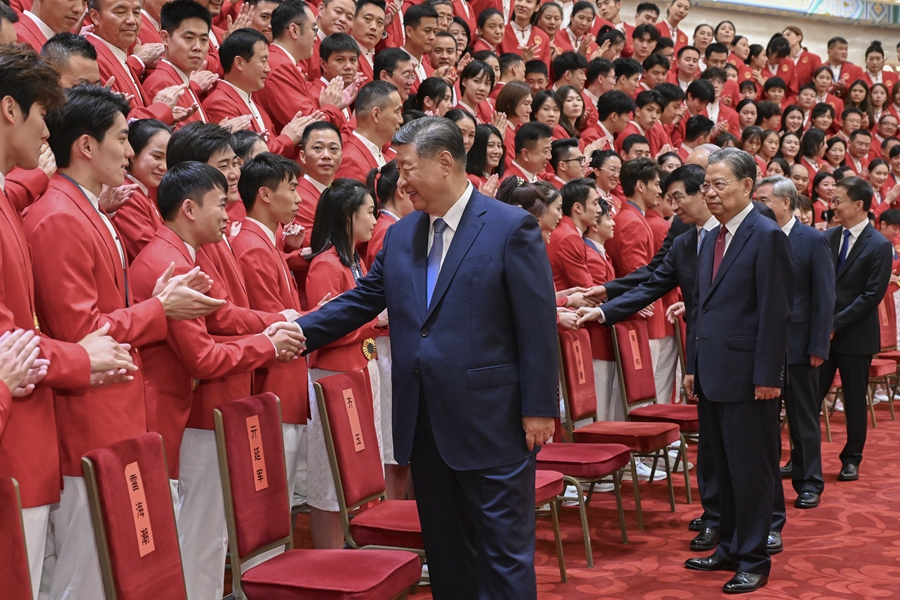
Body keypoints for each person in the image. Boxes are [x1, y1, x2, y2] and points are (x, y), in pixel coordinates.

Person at [295, 116, 557, 598]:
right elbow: (362, 300)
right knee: (447, 553)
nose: (400, 180)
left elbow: (537, 323)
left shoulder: (509, 226)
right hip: (425, 424)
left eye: (407, 167)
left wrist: (540, 407)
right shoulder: (401, 235)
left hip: (494, 422)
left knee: (503, 553)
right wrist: (295, 331)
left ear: (444, 162)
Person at [23, 84, 224, 600]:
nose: (131, 153)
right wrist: (159, 309)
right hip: (88, 414)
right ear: (86, 146)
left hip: (112, 409)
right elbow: (81, 335)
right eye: (121, 139)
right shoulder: (60, 214)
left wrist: (152, 301)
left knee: (106, 569)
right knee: (85, 576)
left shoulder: (86, 208)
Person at [0, 45, 141, 599]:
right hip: (29, 429)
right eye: (41, 114)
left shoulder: (22, 196)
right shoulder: (55, 213)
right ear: (10, 109)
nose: (46, 131)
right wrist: (83, 355)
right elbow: (14, 339)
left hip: (35, 428)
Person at [679, 148, 792, 594]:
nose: (709, 192)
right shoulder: (712, 236)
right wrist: (693, 365)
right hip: (713, 373)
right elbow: (700, 309)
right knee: (722, 469)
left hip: (749, 378)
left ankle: (753, 558)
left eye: (718, 184)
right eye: (706, 185)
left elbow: (775, 312)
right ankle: (727, 545)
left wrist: (768, 376)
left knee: (751, 472)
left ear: (747, 186)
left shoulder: (766, 235)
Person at [754, 176, 834, 510]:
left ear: (786, 203)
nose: (757, 205)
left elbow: (825, 298)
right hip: (762, 345)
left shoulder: (813, 239)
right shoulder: (756, 235)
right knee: (764, 420)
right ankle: (767, 483)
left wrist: (819, 346)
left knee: (803, 418)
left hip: (800, 345)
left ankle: (809, 482)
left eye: (764, 200)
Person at [818, 176, 893, 482]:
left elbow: (871, 295)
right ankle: (801, 457)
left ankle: (851, 459)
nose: (832, 206)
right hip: (822, 336)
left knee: (854, 400)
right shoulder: (828, 238)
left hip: (855, 335)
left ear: (859, 205)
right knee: (810, 399)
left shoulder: (879, 245)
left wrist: (834, 324)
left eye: (838, 201)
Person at [114, 119, 172, 262]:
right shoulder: (126, 194)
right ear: (132, 154)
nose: (164, 167)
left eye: (168, 159)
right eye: (157, 157)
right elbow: (148, 253)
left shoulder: (143, 191)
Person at [335, 80, 404, 181]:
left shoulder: (383, 156)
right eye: (397, 112)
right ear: (376, 115)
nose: (401, 120)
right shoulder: (350, 162)